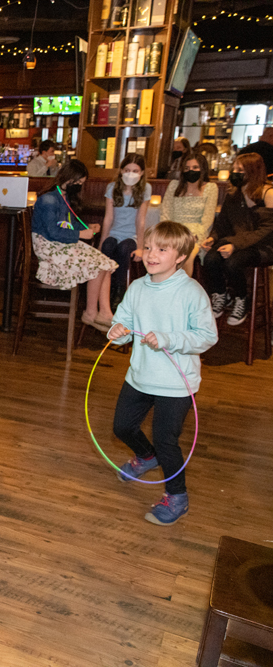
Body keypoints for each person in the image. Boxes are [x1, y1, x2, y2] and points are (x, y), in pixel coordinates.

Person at [107, 221, 218, 525]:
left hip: (175, 383)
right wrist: (117, 332)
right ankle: (146, 456)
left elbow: (207, 336)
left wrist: (169, 339)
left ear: (180, 256)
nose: (151, 255)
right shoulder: (137, 287)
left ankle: (177, 497)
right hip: (140, 376)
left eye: (162, 250)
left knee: (166, 440)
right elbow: (124, 323)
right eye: (148, 247)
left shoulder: (191, 292)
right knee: (122, 427)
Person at [31, 160, 117, 331]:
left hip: (60, 244)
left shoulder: (63, 198)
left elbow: (68, 224)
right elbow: (53, 232)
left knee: (105, 262)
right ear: (68, 178)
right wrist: (80, 234)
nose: (78, 186)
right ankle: (91, 312)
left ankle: (105, 312)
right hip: (49, 247)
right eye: (77, 182)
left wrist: (87, 227)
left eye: (81, 183)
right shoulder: (49, 199)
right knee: (98, 265)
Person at [201, 152, 273, 326]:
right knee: (210, 258)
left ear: (253, 171)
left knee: (232, 263)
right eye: (234, 169)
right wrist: (212, 238)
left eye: (240, 170)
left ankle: (242, 298)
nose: (235, 173)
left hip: (263, 246)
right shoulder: (233, 194)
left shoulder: (268, 193)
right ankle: (221, 294)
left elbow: (266, 230)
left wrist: (234, 245)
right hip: (237, 242)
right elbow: (222, 224)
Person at [100, 153, 151, 305]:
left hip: (132, 235)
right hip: (114, 232)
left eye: (135, 171)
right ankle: (104, 290)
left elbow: (140, 220)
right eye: (127, 170)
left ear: (142, 173)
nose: (130, 174)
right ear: (121, 170)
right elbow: (108, 218)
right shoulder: (112, 187)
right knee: (107, 246)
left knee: (124, 249)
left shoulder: (145, 188)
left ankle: (119, 290)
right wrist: (102, 242)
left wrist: (141, 248)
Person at [160, 149, 218, 275]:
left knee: (186, 254)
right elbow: (165, 213)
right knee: (164, 254)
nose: (190, 171)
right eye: (187, 168)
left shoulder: (211, 188)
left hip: (195, 234)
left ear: (202, 169)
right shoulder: (174, 186)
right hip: (174, 232)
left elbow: (207, 220)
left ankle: (183, 286)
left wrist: (195, 235)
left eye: (195, 167)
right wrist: (169, 233)